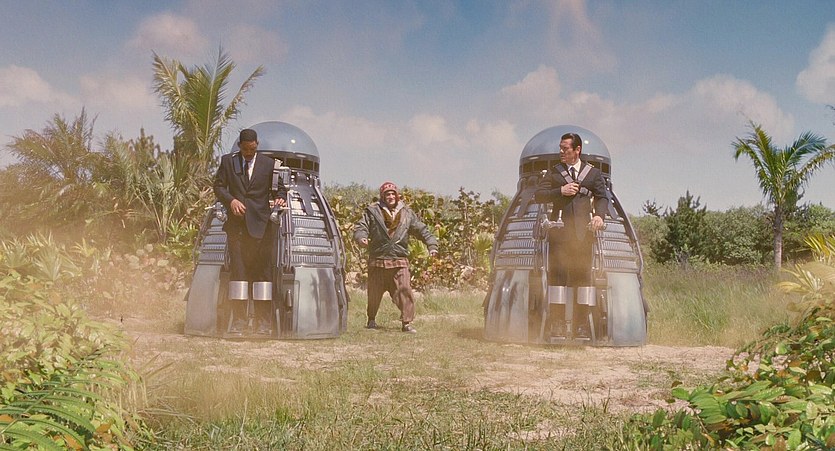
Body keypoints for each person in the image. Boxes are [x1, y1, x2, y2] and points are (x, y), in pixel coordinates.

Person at [533, 132, 609, 338]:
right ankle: (557, 324)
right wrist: (560, 191)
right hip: (559, 235)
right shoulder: (554, 172)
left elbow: (602, 197)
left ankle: (581, 326)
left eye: (565, 148)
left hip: (583, 237)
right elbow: (538, 195)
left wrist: (599, 216)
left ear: (577, 150)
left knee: (583, 280)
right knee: (557, 279)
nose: (561, 152)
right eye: (560, 148)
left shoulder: (593, 174)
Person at [213, 128, 287, 334]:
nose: (249, 153)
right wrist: (231, 201)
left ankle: (263, 324)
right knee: (239, 275)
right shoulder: (228, 162)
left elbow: (280, 189)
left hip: (262, 229)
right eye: (245, 149)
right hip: (237, 230)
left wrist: (280, 198)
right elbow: (219, 187)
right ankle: (239, 322)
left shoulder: (268, 164)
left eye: (252, 149)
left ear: (257, 145)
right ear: (240, 146)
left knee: (263, 276)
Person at [353, 182, 439, 333]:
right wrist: (361, 238)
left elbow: (422, 230)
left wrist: (432, 245)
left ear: (397, 195)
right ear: (382, 196)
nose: (391, 196)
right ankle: (371, 319)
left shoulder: (407, 213)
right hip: (378, 260)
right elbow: (361, 227)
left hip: (399, 260)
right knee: (374, 294)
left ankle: (406, 323)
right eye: (387, 194)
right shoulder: (372, 211)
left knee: (405, 290)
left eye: (393, 194)